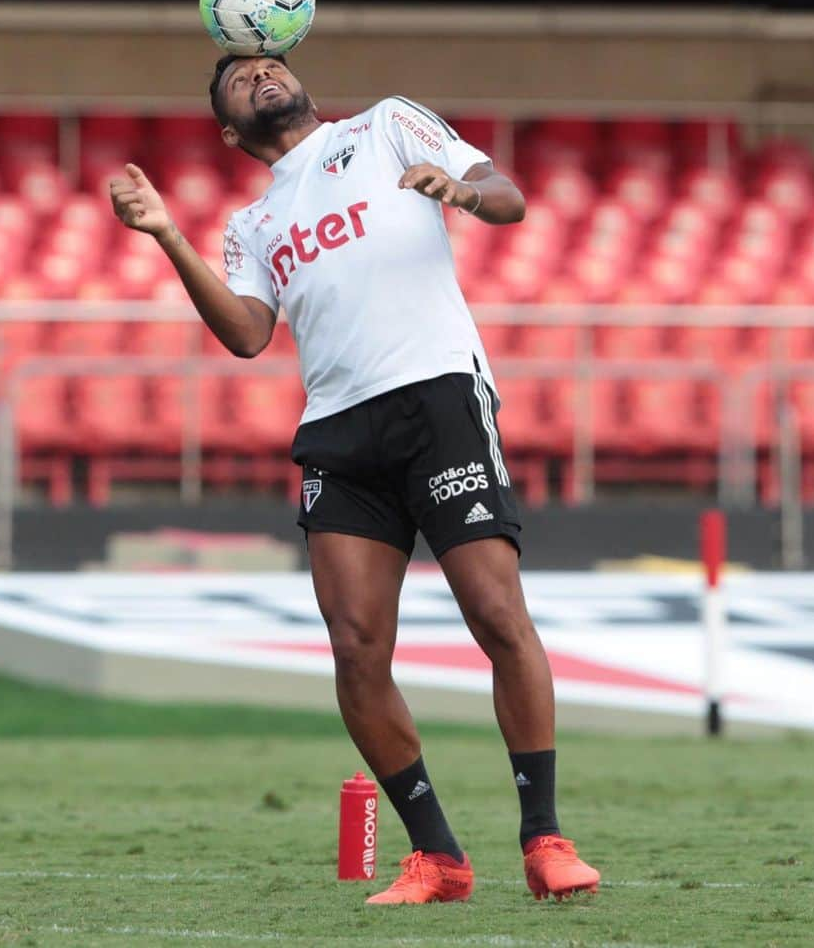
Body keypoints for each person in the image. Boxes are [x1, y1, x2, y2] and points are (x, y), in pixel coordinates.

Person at [109, 54, 599, 905]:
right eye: (239, 79)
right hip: (338, 429)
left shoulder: (386, 125)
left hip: (437, 395)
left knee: (495, 612)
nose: (260, 75)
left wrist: (459, 190)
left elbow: (512, 200)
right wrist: (166, 234)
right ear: (230, 130)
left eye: (270, 63)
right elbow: (248, 336)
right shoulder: (252, 224)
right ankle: (438, 858)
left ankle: (545, 837)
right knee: (355, 649)